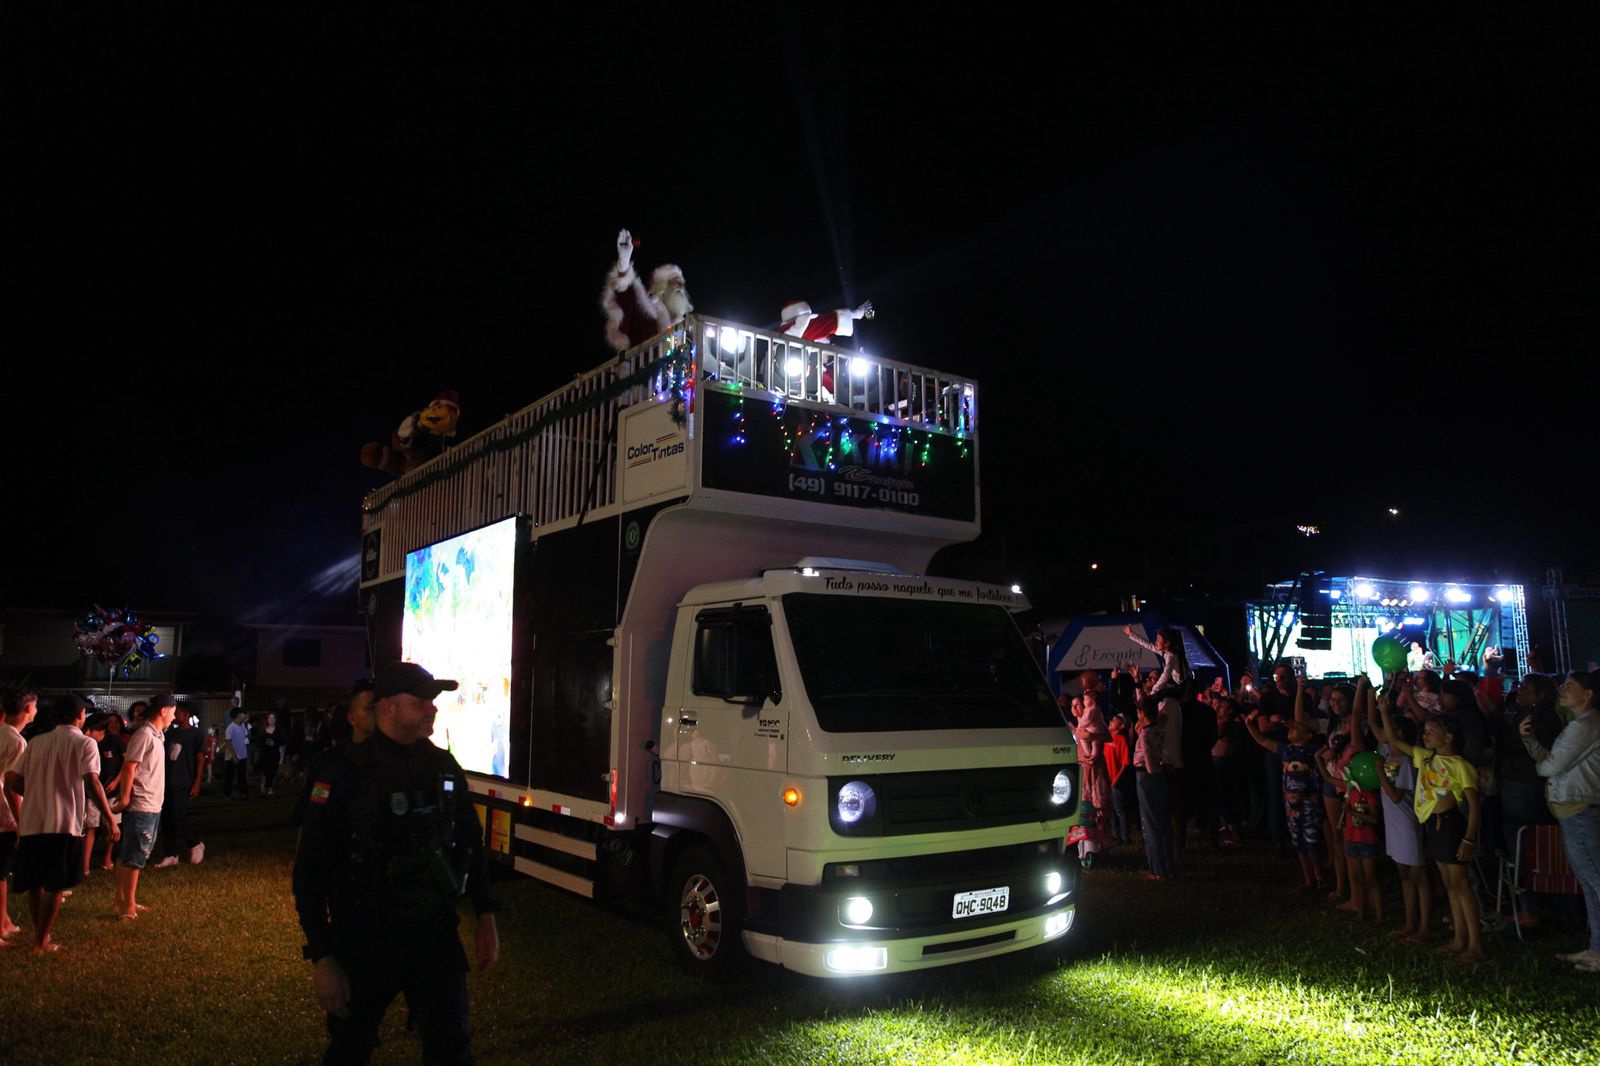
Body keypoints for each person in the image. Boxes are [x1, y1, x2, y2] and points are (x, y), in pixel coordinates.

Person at [293, 662, 498, 1064]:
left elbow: (470, 843)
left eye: (432, 702)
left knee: (452, 1048)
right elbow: (310, 870)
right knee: (350, 1049)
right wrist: (323, 956)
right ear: (387, 707)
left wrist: (485, 914)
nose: (431, 709)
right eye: (420, 702)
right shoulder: (343, 772)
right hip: (365, 941)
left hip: (435, 937)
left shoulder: (443, 767)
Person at [1377, 692, 1485, 964]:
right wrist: (1384, 712)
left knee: (1461, 884)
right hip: (1433, 826)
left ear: (1448, 737)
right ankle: (1459, 939)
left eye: (1431, 731)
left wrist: (1469, 838)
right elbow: (1395, 741)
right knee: (1449, 884)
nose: (1425, 736)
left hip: (1450, 825)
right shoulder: (1425, 758)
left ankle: (1476, 946)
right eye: (1424, 731)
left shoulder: (1461, 765)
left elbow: (1474, 806)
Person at [4, 695, 118, 953]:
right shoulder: (85, 743)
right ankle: (41, 941)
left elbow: (12, 780)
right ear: (80, 716)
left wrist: (36, 792)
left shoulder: (36, 742)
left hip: (32, 822)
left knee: (35, 884)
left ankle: (40, 936)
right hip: (64, 823)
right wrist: (110, 818)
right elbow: (92, 782)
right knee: (56, 885)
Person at [1521, 671, 1600, 972]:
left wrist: (1541, 761)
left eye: (1570, 686)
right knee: (1590, 881)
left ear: (1588, 695)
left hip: (1580, 810)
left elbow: (1550, 767)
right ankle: (1595, 948)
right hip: (1573, 809)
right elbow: (1549, 761)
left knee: (1594, 879)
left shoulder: (1586, 725)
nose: (1562, 689)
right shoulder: (1578, 725)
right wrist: (1529, 740)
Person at [1245, 705, 1323, 892]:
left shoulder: (1314, 751)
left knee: (1312, 841)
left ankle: (1320, 876)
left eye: (1298, 727)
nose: (1292, 727)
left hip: (1308, 803)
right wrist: (1249, 725)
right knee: (1298, 841)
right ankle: (1308, 879)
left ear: (1308, 735)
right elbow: (1263, 740)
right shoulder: (1285, 749)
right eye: (1292, 726)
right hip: (1291, 804)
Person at [112, 696, 177, 920]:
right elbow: (129, 766)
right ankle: (127, 907)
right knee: (134, 857)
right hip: (141, 804)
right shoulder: (145, 735)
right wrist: (125, 798)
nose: (174, 717)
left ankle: (123, 900)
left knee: (132, 854)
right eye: (173, 712)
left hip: (152, 803)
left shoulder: (157, 736)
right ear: (163, 711)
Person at [0, 687, 38, 943]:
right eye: (35, 706)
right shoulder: (16, 741)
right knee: (1, 872)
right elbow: (12, 787)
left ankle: (4, 920)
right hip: (4, 814)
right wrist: (21, 823)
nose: (36, 710)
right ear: (27, 708)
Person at [155, 701, 205, 867]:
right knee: (166, 817)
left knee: (178, 815)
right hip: (167, 780)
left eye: (177, 712)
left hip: (183, 780)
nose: (174, 715)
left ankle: (195, 843)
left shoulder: (196, 734)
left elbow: (200, 758)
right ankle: (171, 853)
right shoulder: (170, 734)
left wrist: (197, 782)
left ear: (186, 714)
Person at [224, 708, 251, 799]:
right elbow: (228, 742)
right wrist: (234, 755)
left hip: (242, 755)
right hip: (231, 756)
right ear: (238, 715)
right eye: (244, 714)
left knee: (241, 775)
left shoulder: (243, 726)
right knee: (230, 776)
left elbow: (246, 737)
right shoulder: (230, 728)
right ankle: (227, 794)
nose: (245, 716)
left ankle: (243, 793)